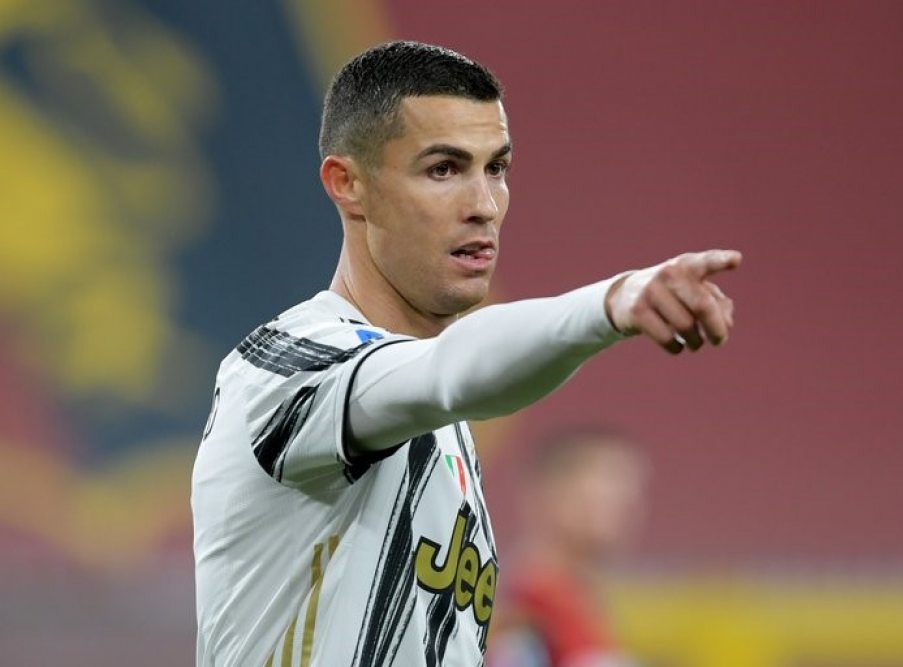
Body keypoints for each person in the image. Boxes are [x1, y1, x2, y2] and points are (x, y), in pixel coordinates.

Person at [191, 40, 741, 667]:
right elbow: (449, 371)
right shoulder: (289, 366)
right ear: (349, 185)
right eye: (443, 169)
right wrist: (609, 304)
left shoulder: (444, 435)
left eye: (496, 168)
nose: (483, 205)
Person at [488, 428, 646, 667]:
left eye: (633, 488)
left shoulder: (578, 601)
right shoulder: (528, 603)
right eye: (609, 483)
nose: (628, 502)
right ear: (551, 494)